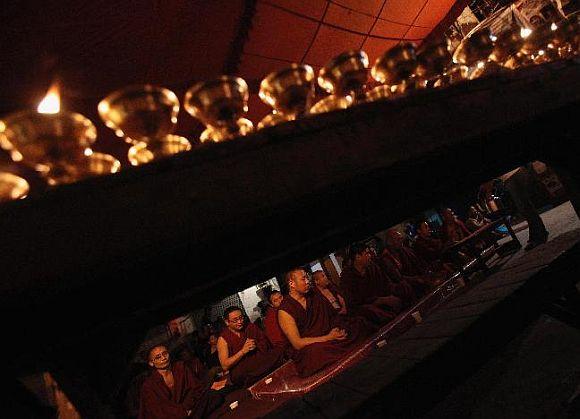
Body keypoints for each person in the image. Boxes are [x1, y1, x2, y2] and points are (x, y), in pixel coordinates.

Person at [278, 268, 374, 377]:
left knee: (358, 324)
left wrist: (337, 329)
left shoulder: (314, 294)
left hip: (331, 335)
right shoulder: (285, 310)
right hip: (314, 345)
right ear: (292, 284)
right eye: (303, 279)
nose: (308, 281)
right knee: (315, 353)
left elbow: (333, 316)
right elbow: (297, 343)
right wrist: (328, 337)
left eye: (307, 278)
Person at [138, 345, 224, 419]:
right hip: (171, 416)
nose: (163, 358)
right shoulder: (149, 385)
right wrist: (182, 412)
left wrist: (187, 407)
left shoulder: (180, 368)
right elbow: (157, 410)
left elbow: (195, 388)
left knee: (213, 396)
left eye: (165, 354)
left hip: (190, 409)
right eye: (158, 357)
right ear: (151, 363)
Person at [217, 306, 284, 387]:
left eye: (241, 318)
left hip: (259, 360)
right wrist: (243, 351)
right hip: (244, 369)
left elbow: (265, 341)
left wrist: (256, 344)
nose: (240, 322)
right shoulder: (223, 339)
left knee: (279, 351)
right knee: (245, 374)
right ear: (227, 322)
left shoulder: (250, 327)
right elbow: (225, 365)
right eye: (235, 320)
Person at [340, 243, 404, 324]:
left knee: (402, 288)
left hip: (380, 297)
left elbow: (385, 283)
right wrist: (378, 300)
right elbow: (353, 301)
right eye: (366, 254)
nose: (370, 256)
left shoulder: (372, 267)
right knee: (371, 311)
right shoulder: (347, 277)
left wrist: (389, 294)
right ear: (358, 257)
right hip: (363, 306)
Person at [500, 166, 549, 250]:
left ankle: (538, 235)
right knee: (524, 207)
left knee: (525, 207)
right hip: (510, 176)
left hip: (513, 174)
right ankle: (538, 234)